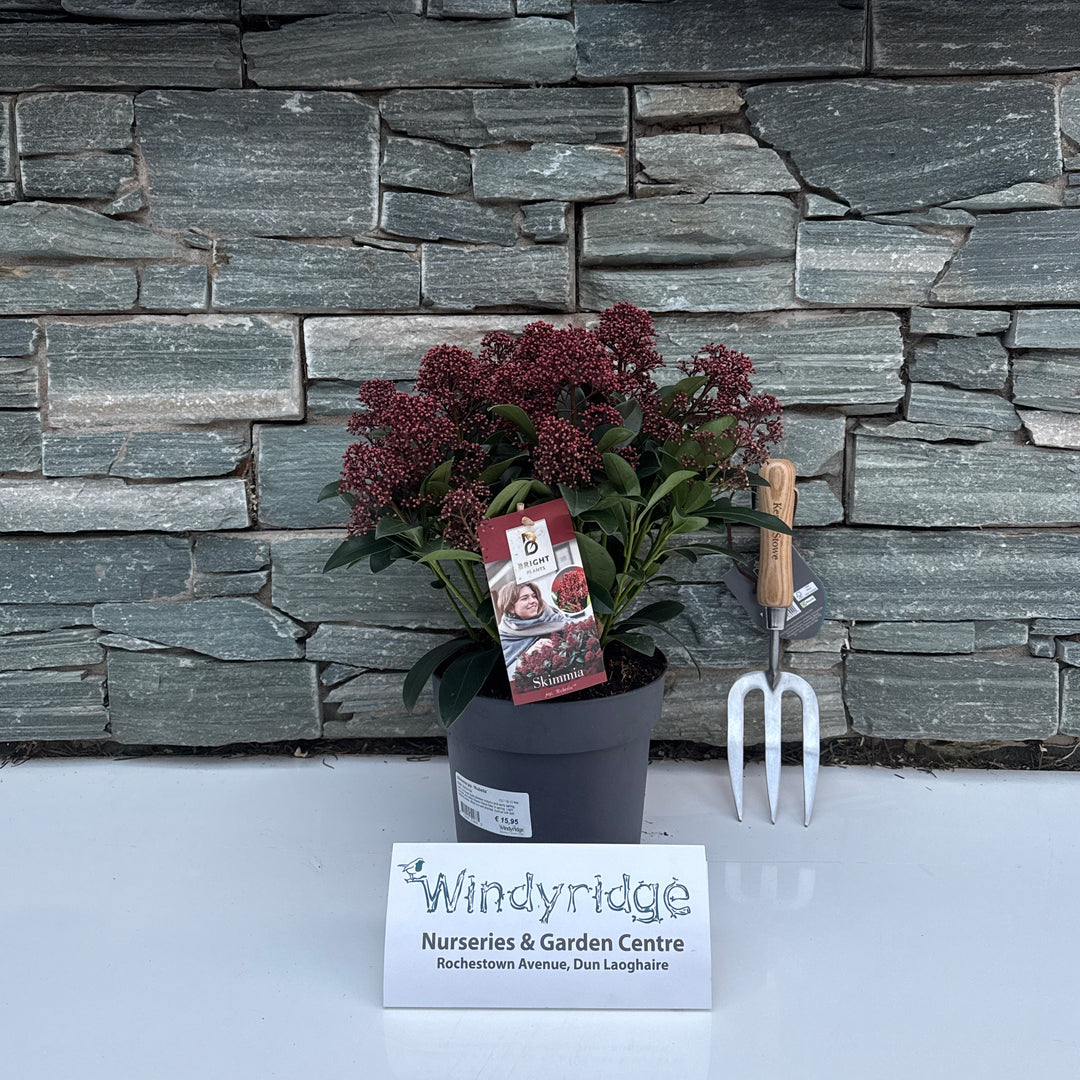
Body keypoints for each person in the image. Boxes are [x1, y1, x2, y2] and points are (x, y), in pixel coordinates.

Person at [495, 581, 568, 668]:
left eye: (534, 596)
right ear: (511, 608)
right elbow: (509, 673)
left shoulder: (554, 618)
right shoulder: (503, 636)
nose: (533, 601)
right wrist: (526, 656)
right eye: (524, 598)